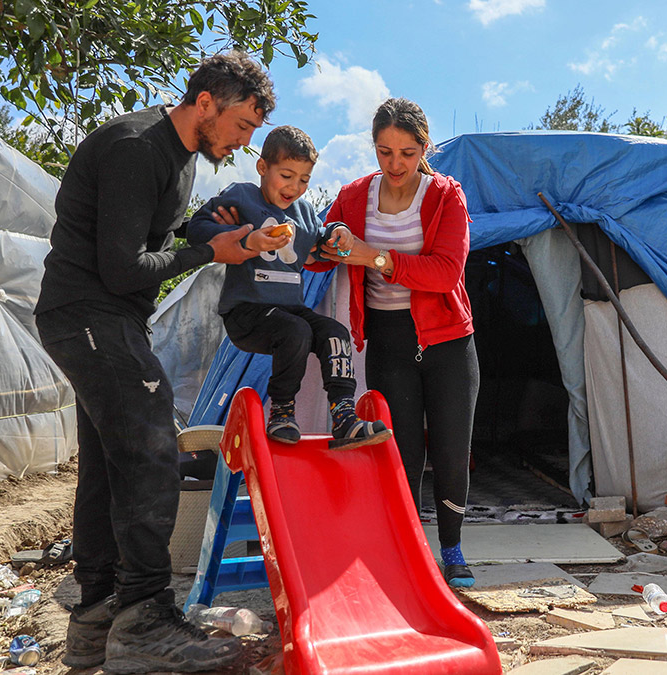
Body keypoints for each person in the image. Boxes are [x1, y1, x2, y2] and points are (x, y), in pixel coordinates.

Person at [34, 51, 273, 673]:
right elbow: (121, 268)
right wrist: (209, 252)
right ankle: (143, 616)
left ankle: (95, 618)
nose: (245, 142)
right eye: (242, 125)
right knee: (153, 452)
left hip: (103, 318)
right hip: (90, 314)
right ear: (204, 103)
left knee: (113, 465)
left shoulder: (182, 161)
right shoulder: (137, 148)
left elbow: (146, 246)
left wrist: (208, 235)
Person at [315, 97, 480, 588]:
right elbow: (321, 255)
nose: (395, 165)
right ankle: (407, 549)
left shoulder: (446, 196)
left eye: (407, 153)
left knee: (451, 450)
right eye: (385, 152)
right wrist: (321, 241)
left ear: (424, 147)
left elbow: (447, 271)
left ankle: (452, 549)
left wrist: (375, 257)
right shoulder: (353, 195)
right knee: (401, 452)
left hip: (448, 340)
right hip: (387, 340)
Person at [186, 125, 390, 448]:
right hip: (247, 312)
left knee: (335, 333)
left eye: (304, 180)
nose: (294, 187)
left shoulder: (304, 212)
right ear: (263, 168)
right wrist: (246, 239)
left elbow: (322, 237)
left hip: (288, 311)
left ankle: (343, 414)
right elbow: (196, 227)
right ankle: (281, 411)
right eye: (286, 175)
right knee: (296, 330)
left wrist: (340, 231)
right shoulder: (242, 196)